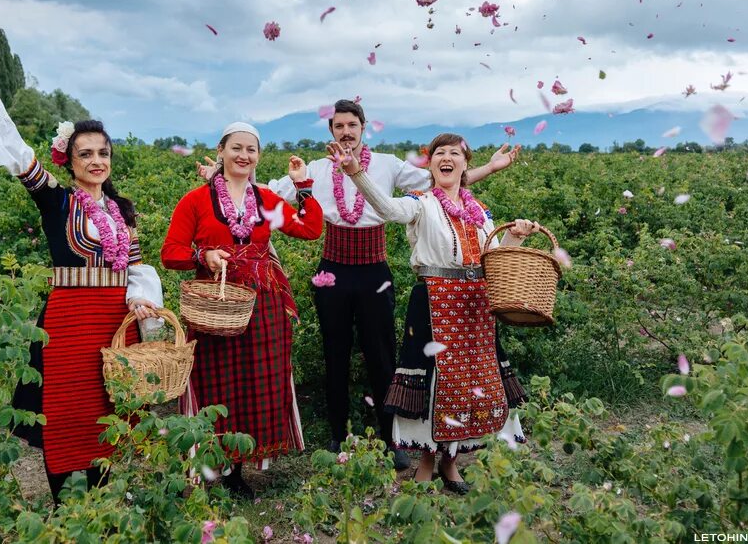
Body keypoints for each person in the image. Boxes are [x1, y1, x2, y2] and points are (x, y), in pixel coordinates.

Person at [0, 41, 164, 504]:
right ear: (70, 160)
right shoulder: (56, 199)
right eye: (86, 154)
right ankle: (66, 501)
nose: (97, 161)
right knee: (64, 408)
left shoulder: (123, 209)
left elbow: (136, 265)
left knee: (108, 404)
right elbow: (19, 153)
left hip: (114, 321)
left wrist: (142, 302)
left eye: (103, 152)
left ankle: (101, 499)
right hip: (68, 320)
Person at [261, 99, 518, 470]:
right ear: (331, 131)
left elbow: (441, 183)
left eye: (352, 125)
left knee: (381, 355)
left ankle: (390, 438)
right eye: (339, 126)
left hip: (374, 271)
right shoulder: (316, 168)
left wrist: (491, 168)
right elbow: (270, 193)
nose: (346, 132)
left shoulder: (386, 164)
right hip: (332, 269)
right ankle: (337, 434)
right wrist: (226, 180)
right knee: (335, 353)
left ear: (363, 128)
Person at [331, 132, 539, 494]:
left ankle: (450, 462)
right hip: (434, 301)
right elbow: (388, 209)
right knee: (434, 383)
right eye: (438, 152)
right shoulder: (421, 203)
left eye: (454, 153)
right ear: (429, 164)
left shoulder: (480, 213)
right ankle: (426, 461)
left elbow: (495, 258)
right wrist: (355, 173)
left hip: (475, 306)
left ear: (464, 163)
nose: (446, 157)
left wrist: (517, 236)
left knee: (469, 384)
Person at [161, 122, 323, 499]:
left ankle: (238, 467)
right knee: (216, 380)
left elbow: (310, 229)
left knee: (256, 380)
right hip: (214, 305)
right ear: (221, 151)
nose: (243, 155)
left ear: (258, 157)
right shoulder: (196, 201)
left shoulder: (266, 200)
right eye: (236, 148)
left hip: (261, 303)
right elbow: (170, 253)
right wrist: (203, 255)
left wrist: (303, 186)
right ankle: (210, 460)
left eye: (251, 149)